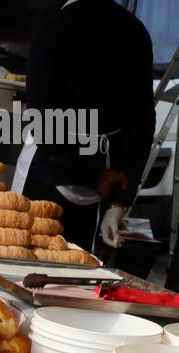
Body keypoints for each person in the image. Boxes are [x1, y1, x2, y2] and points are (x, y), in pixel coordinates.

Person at [15, 0, 156, 253]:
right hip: (102, 176)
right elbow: (141, 127)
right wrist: (117, 202)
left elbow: (44, 127)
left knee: (23, 261)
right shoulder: (136, 31)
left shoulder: (51, 28)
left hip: (50, 173)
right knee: (76, 277)